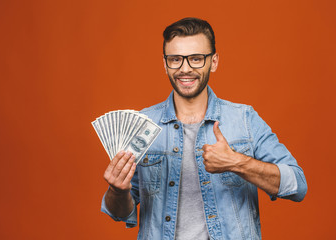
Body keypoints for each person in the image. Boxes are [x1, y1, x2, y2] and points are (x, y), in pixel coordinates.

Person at [101, 17, 307, 240]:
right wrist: (117, 190)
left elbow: (297, 185)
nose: (185, 69)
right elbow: (119, 213)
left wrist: (237, 162)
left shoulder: (244, 119)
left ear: (214, 61)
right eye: (175, 59)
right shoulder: (143, 124)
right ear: (165, 64)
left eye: (196, 59)